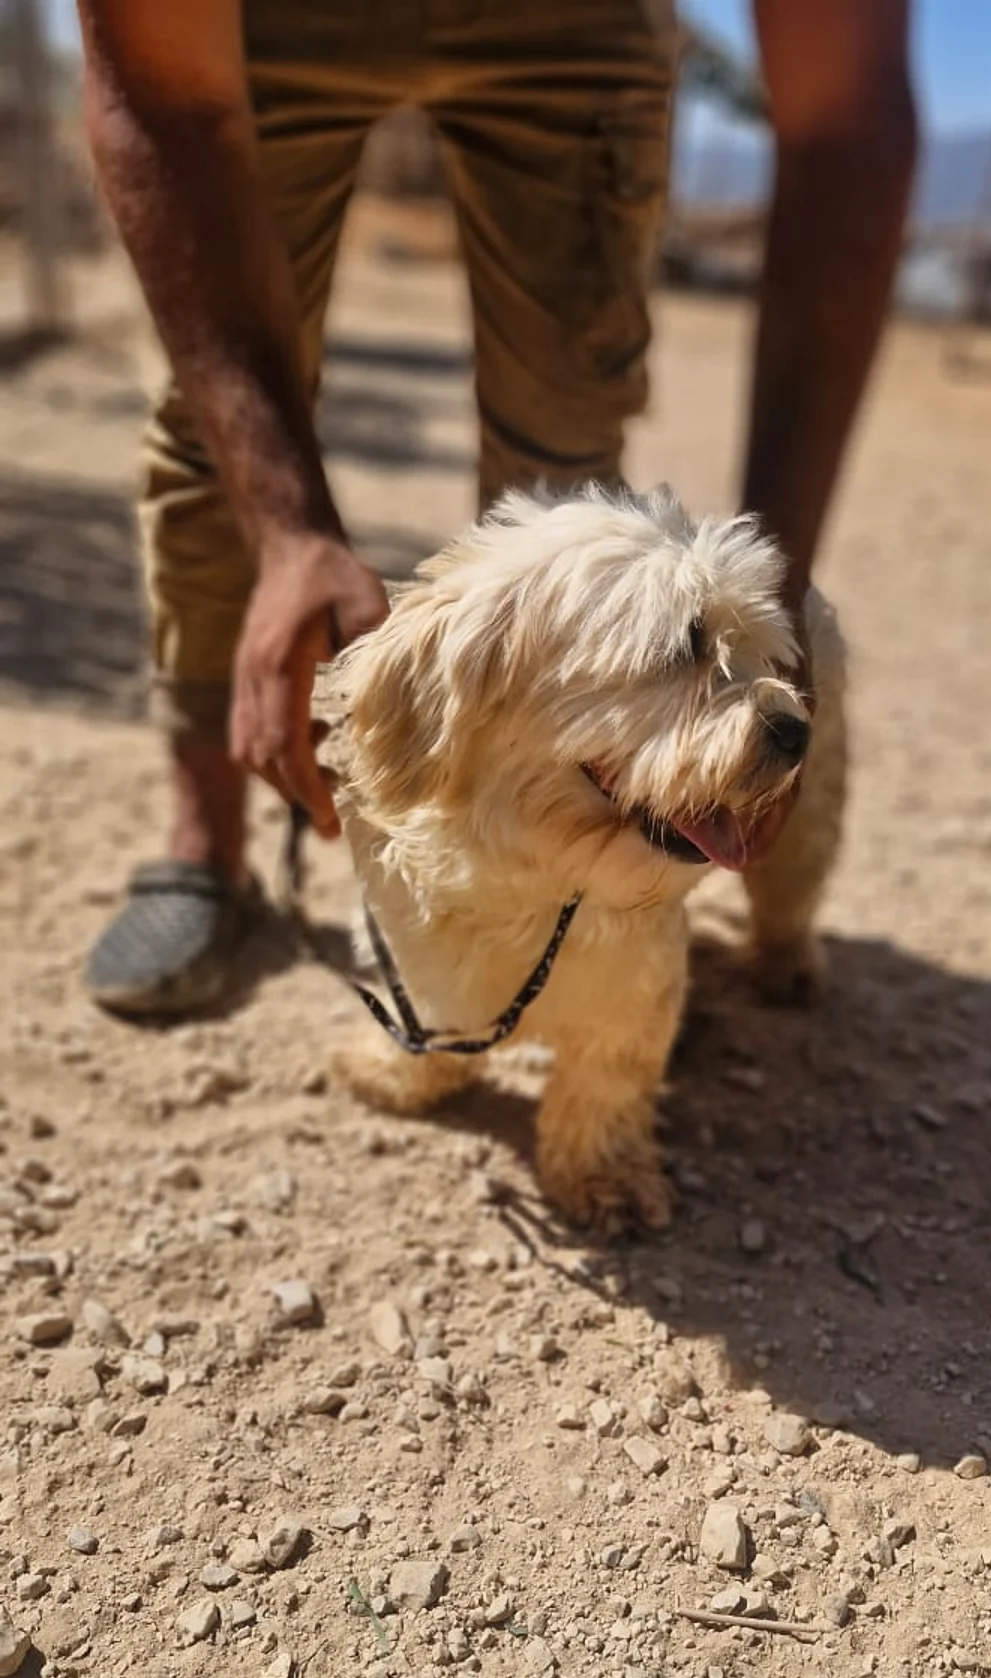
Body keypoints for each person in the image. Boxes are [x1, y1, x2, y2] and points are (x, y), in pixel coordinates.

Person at [78, 0, 915, 1017]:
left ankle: (576, 878)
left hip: (581, 25)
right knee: (223, 417)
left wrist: (776, 579)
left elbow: (843, 127)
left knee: (564, 434)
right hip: (259, 23)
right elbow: (162, 99)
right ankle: (207, 837)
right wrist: (288, 527)